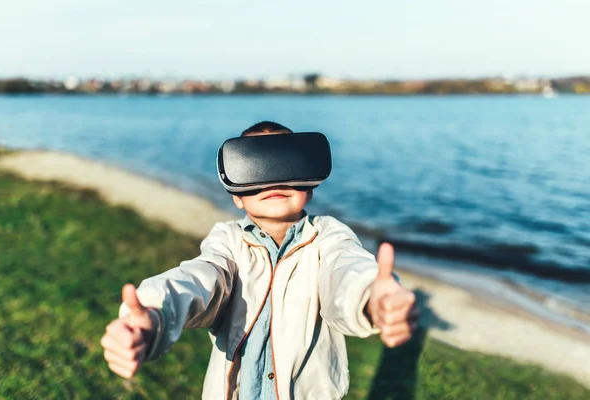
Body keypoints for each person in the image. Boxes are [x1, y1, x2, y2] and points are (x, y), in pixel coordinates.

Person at [100, 121, 419, 399]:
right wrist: (154, 312)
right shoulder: (227, 242)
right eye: (255, 168)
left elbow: (345, 269)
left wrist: (370, 296)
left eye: (288, 165)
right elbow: (202, 278)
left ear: (310, 187)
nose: (273, 180)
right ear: (237, 196)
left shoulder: (328, 238)